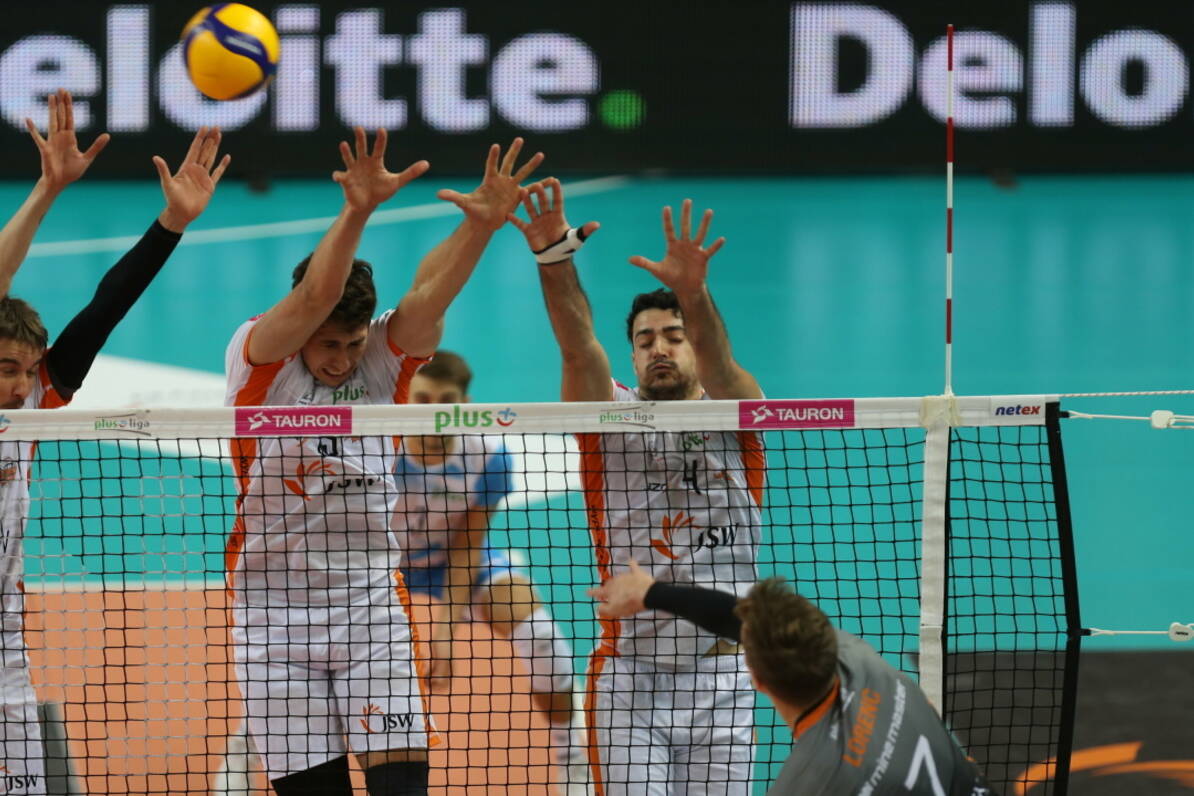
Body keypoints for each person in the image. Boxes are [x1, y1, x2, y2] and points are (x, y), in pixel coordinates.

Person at [223, 128, 542, 796]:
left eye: (353, 342)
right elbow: (313, 299)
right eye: (328, 344)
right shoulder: (260, 359)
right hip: (271, 618)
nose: (342, 359)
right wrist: (358, 210)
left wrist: (481, 227)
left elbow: (429, 298)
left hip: (369, 613)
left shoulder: (381, 362)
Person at [0, 90, 228, 795]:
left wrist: (171, 224)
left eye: (27, 370)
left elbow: (107, 305)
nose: (19, 385)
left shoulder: (38, 400)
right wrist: (47, 190)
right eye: (6, 369)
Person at [510, 178, 765, 794]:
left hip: (726, 679)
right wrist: (553, 260)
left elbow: (723, 364)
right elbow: (578, 349)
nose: (660, 349)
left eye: (675, 337)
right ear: (631, 357)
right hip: (631, 681)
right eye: (645, 340)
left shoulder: (737, 415)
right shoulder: (606, 418)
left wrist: (693, 294)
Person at [590, 562, 996, 796]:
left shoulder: (808, 784)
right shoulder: (866, 665)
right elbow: (736, 618)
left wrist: (654, 593)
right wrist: (653, 593)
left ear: (757, 681)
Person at [393, 350, 590, 792]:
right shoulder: (379, 448)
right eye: (422, 401)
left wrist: (445, 632)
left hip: (455, 560)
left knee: (542, 635)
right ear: (404, 400)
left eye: (447, 403)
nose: (435, 415)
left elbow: (467, 546)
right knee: (312, 639)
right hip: (380, 566)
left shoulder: (487, 455)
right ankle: (250, 744)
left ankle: (572, 759)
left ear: (465, 405)